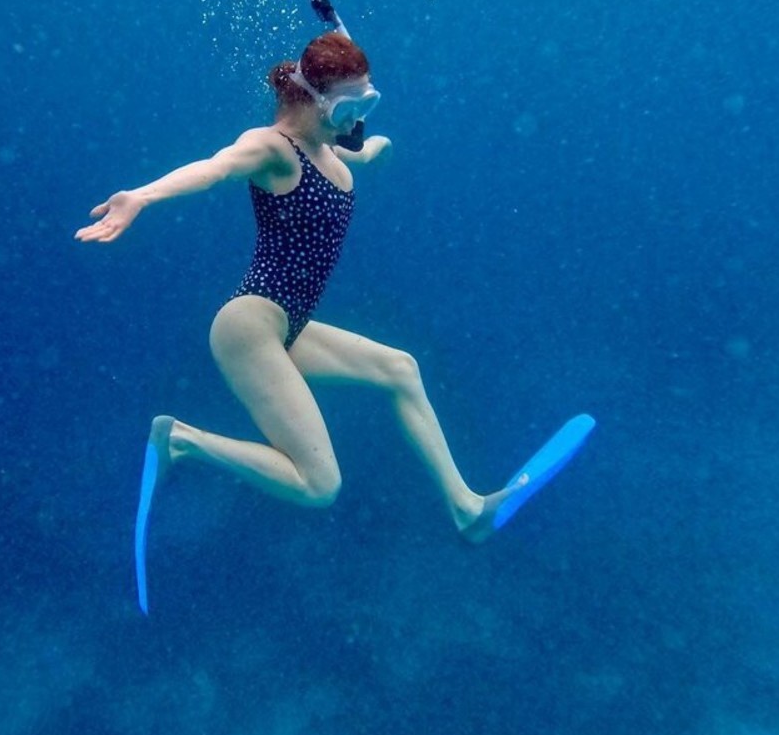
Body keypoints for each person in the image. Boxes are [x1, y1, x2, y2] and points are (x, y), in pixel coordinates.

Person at [76, 27, 521, 547]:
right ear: (315, 99)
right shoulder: (272, 148)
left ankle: (467, 509)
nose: (357, 118)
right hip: (249, 328)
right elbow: (215, 168)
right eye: (351, 106)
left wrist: (378, 146)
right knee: (319, 485)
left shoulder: (329, 150)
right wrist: (142, 197)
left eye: (369, 102)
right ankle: (182, 441)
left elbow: (365, 152)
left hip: (289, 323)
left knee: (401, 369)